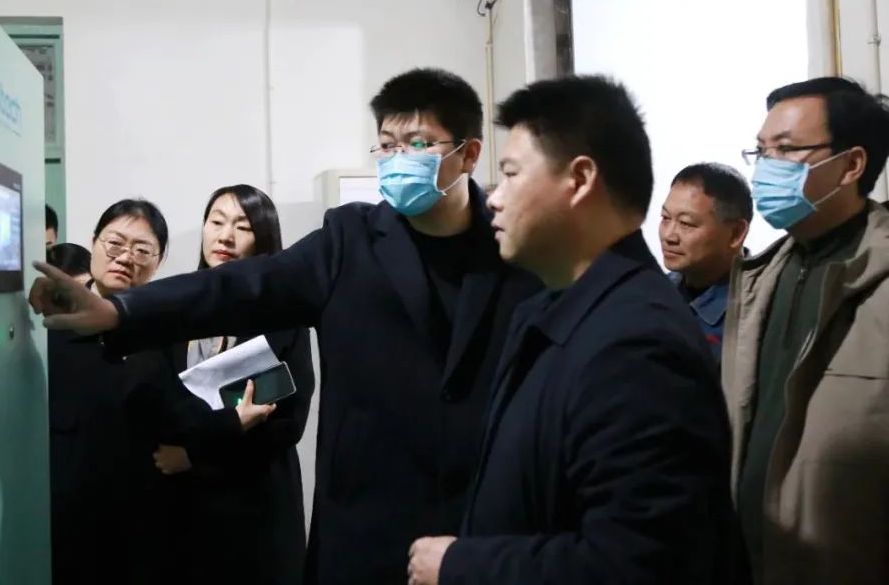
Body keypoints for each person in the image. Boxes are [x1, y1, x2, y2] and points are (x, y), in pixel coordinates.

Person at [29, 68, 542, 584]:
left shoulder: (519, 251)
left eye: (419, 144)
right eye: (387, 145)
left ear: (469, 155)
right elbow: (237, 288)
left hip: (485, 531)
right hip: (366, 532)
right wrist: (119, 312)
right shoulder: (349, 242)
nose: (399, 159)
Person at [409, 76, 740, 585]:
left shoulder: (637, 347)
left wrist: (461, 565)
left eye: (512, 174)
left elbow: (638, 564)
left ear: (580, 179)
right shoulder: (557, 311)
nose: (494, 198)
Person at [729, 77, 889, 585]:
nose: (766, 167)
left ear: (851, 164)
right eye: (761, 151)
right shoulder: (757, 279)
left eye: (786, 149)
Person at [137, 184, 314, 585]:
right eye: (216, 222)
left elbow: (288, 421)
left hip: (256, 509)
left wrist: (197, 456)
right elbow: (157, 402)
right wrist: (229, 425)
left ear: (263, 238)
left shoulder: (283, 315)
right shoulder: (176, 306)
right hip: (182, 511)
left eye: (242, 226)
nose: (225, 236)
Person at [48, 198, 170, 585]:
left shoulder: (167, 330)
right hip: (60, 520)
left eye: (142, 249)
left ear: (158, 261)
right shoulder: (51, 315)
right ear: (94, 243)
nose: (125, 257)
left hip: (140, 524)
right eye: (115, 243)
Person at [659, 162, 751, 357]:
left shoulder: (760, 308)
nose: (669, 236)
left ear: (736, 233)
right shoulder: (655, 293)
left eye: (686, 223)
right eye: (665, 218)